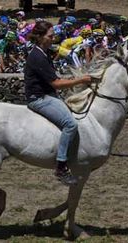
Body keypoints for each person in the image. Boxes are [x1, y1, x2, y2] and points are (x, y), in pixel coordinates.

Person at [24, 20, 92, 186]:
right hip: (39, 98)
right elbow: (55, 83)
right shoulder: (38, 56)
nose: (53, 38)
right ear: (40, 37)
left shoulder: (44, 52)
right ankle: (61, 166)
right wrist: (80, 80)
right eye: (50, 36)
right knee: (70, 124)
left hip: (48, 95)